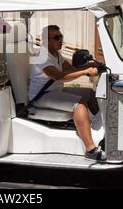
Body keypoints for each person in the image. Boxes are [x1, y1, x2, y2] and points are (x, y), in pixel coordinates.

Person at [28, 25, 105, 161]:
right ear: (46, 40)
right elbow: (59, 76)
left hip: (55, 91)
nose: (61, 40)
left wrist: (93, 65)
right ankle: (90, 150)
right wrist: (85, 72)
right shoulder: (41, 56)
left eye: (61, 36)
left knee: (91, 92)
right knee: (79, 104)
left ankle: (96, 130)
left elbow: (70, 69)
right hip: (42, 96)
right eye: (57, 37)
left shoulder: (56, 54)